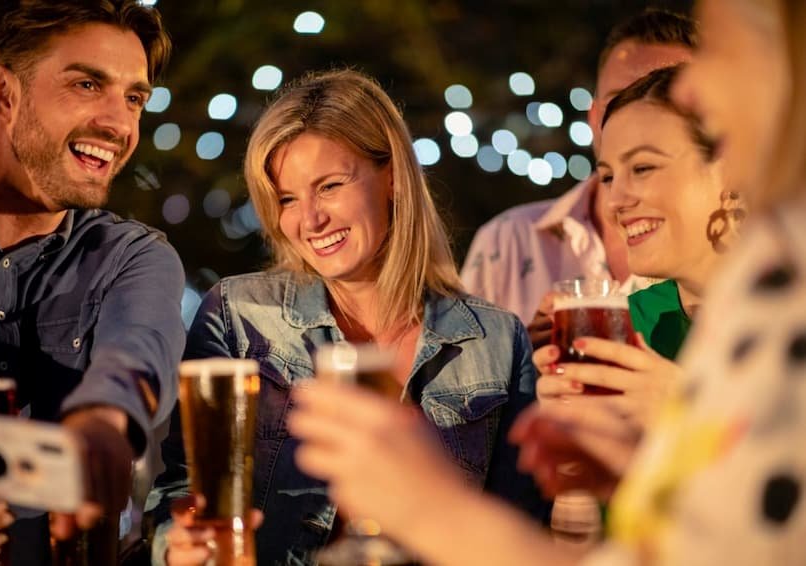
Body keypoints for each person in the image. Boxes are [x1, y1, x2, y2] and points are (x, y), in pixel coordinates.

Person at [288, 0, 806, 564]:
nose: (689, 89)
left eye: (723, 50)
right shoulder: (726, 300)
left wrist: (431, 508)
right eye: (609, 174)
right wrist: (643, 466)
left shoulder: (784, 293)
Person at [151, 69, 548, 565]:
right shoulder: (238, 315)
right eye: (287, 199)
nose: (309, 219)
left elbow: (519, 526)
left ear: (394, 178)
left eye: (331, 186)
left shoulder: (495, 338)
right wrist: (178, 548)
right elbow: (179, 491)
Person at [0, 1, 185, 564]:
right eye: (87, 84)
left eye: (135, 98)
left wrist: (104, 420)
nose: (121, 124)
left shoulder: (133, 257)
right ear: (3, 94)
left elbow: (138, 353)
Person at [462, 8, 695, 342]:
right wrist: (518, 368)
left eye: (665, 100)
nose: (636, 122)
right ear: (594, 116)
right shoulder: (506, 242)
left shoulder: (755, 260)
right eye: (619, 102)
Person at [535, 64, 742, 429]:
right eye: (609, 177)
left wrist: (686, 407)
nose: (615, 200)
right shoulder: (627, 326)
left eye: (643, 168)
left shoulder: (788, 306)